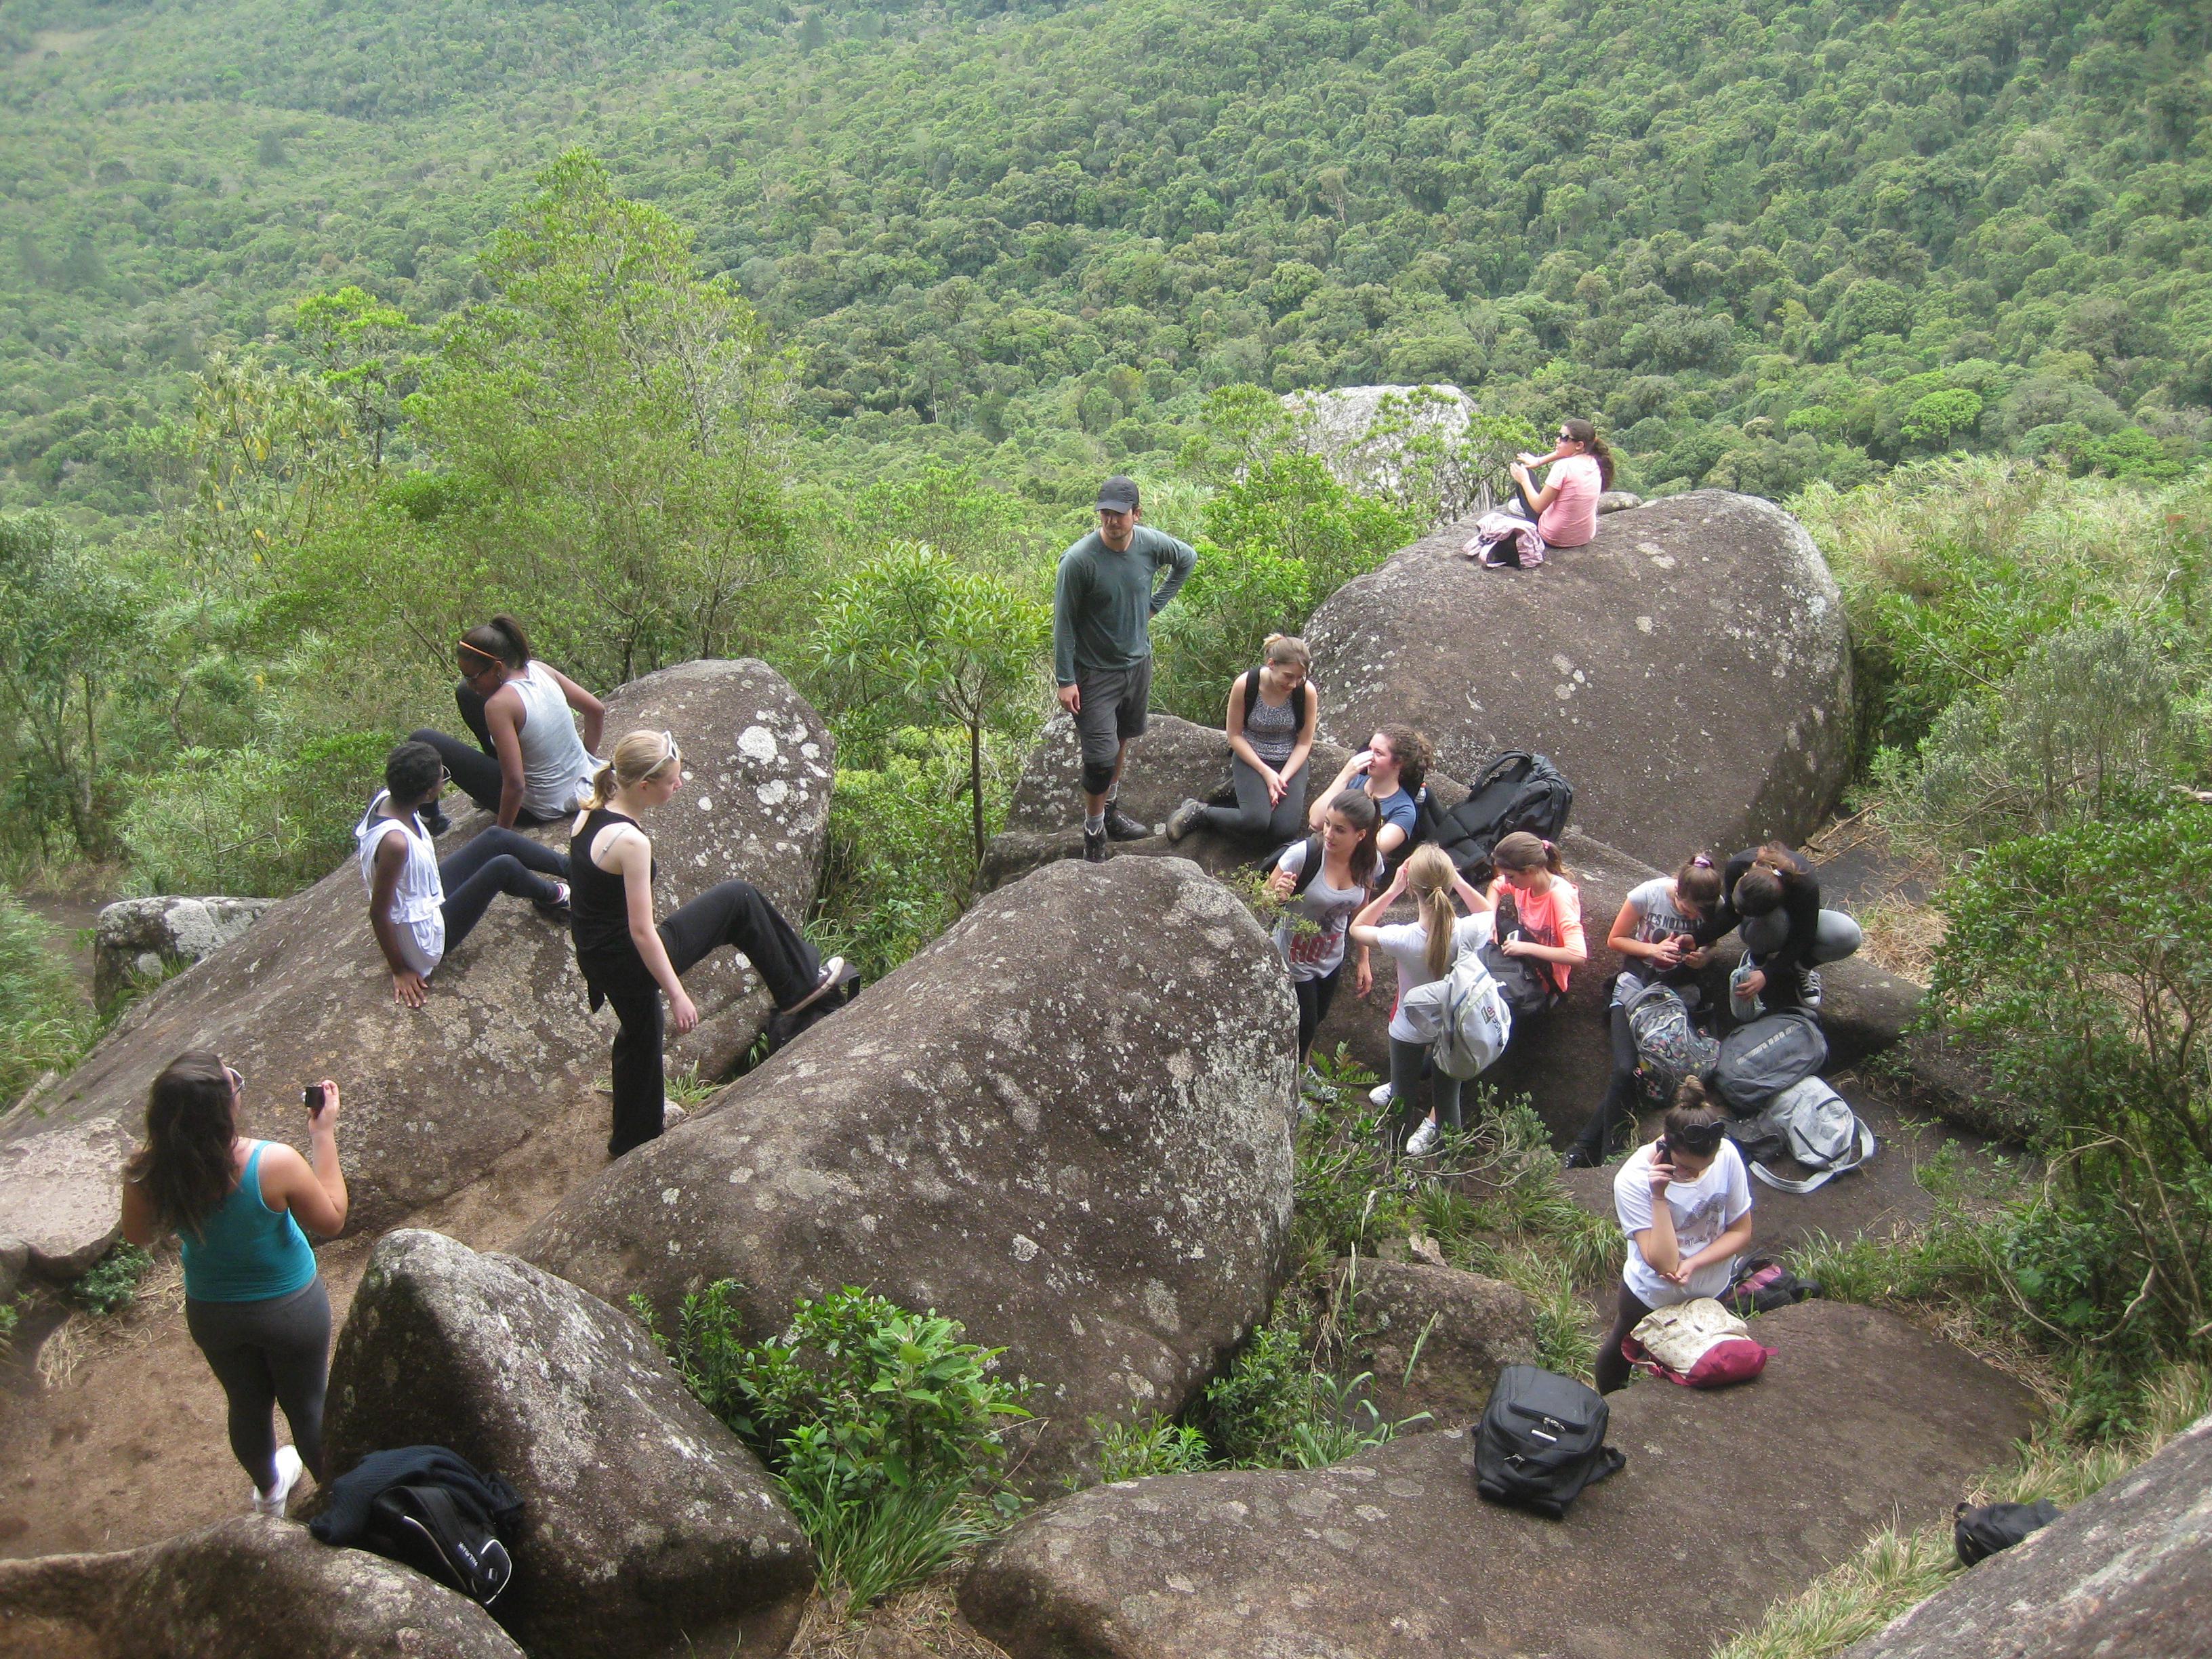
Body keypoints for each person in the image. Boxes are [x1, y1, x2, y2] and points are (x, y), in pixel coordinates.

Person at [571, 730, 856, 1158]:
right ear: (644, 785)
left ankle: (633, 1136)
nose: (679, 786)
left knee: (641, 1030)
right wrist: (678, 993)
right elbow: (643, 932)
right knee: (738, 900)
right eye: (672, 780)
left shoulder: (589, 814)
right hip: (628, 958)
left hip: (599, 958)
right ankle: (800, 988)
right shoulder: (631, 842)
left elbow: (588, 893)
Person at [120, 1053, 348, 1515]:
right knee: (307, 1404)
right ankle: (338, 1499)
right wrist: (323, 1135)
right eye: (234, 1084)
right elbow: (332, 1219)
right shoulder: (272, 1162)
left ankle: (269, 1494)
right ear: (226, 1109)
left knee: (246, 1404)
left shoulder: (147, 1173)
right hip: (290, 1306)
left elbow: (138, 1235)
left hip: (213, 1310)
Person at [356, 741, 573, 1008]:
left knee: (495, 837)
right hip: (423, 937)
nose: (444, 781)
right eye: (442, 777)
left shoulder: (387, 798)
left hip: (425, 894)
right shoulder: (395, 843)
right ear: (427, 794)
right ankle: (554, 896)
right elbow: (379, 911)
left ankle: (573, 869)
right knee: (502, 866)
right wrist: (400, 969)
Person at [1052, 476, 1197, 863]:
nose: (1111, 521)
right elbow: (1063, 623)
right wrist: (1065, 680)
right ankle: (1094, 829)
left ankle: (1111, 812)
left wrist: (1156, 604)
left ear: (1136, 514)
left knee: (1123, 738)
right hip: (1094, 673)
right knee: (1099, 759)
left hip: (1136, 664)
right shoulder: (1079, 559)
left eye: (1119, 514)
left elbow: (1187, 558)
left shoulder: (1150, 544)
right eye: (1105, 513)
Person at [1564, 854, 1726, 1169]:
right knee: (1626, 1069)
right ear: (1678, 890)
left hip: (1678, 995)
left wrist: (1702, 957)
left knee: (1654, 1074)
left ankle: (1587, 1146)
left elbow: (1711, 944)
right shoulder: (1647, 895)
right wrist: (1653, 950)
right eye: (1688, 908)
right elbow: (1615, 939)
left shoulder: (1714, 905)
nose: (1693, 914)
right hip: (1635, 987)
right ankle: (1601, 1151)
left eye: (1699, 912)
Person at [1596, 1078, 1754, 1394]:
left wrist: (1694, 1263)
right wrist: (1659, 1195)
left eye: (1703, 1168)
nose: (1694, 1175)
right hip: (1651, 1295)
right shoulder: (1632, 1180)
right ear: (1665, 1146)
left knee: (1695, 1366)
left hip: (1710, 1289)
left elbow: (1741, 1230)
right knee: (1622, 1345)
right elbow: (1665, 1262)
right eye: (1684, 1167)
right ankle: (1611, 1405)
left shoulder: (1726, 1155)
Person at [1349, 845, 1497, 1156]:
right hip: (1454, 1029)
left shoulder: (1403, 938)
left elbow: (1358, 928)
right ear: (1448, 882)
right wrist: (1456, 878)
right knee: (1447, 1102)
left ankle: (1393, 1163)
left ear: (1412, 886)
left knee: (1401, 1096)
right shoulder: (1468, 931)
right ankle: (1444, 1176)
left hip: (1409, 1026)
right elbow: (1487, 913)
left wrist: (1391, 890)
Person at [407, 615, 606, 831]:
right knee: (465, 694)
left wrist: (501, 835)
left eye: (473, 677)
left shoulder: (499, 705)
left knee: (422, 739)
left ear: (498, 668)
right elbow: (596, 710)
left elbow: (516, 784)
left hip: (539, 807)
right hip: (583, 784)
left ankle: (431, 820)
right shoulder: (540, 669)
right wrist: (584, 760)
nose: (471, 683)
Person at [1164, 635, 1319, 848]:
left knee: (1283, 831)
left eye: (1299, 678)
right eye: (1288, 676)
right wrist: (1266, 773)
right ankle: (1200, 812)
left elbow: (1304, 743)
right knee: (1255, 821)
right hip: (1252, 757)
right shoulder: (1247, 685)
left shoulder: (1306, 691)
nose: (1293, 684)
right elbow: (1235, 735)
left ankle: (1238, 793)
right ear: (1271, 664)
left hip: (1288, 762)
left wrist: (1280, 780)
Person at [1267, 791, 1379, 1076]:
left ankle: (1303, 1072)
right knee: (1303, 1025)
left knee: (1316, 1020)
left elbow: (1360, 913)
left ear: (1361, 835)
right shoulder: (1303, 855)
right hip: (1292, 957)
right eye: (1327, 824)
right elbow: (1263, 897)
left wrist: (1363, 960)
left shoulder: (1369, 863)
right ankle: (1296, 1084)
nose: (1329, 834)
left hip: (1330, 957)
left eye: (1340, 830)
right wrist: (1279, 896)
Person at [1694, 844, 1864, 1013]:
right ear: (1744, 877)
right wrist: (1695, 939)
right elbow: (1732, 913)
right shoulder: (1738, 865)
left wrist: (1768, 974)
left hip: (1788, 921)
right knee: (1769, 924)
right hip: (1759, 926)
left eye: (1743, 910)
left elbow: (1804, 936)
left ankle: (1801, 967)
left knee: (1849, 935)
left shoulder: (1805, 884)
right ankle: (1757, 958)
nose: (1739, 911)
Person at [1488, 830, 1589, 1000]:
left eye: (1510, 876)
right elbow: (1496, 887)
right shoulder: (1526, 884)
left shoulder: (1560, 896)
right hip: (1524, 962)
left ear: (1530, 870)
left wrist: (1525, 948)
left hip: (1545, 975)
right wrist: (1489, 921)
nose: (1507, 882)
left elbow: (1577, 955)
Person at [1309, 725, 1431, 862]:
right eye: (1369, 750)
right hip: (1320, 856)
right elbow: (1316, 821)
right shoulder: (1353, 781)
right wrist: (1344, 776)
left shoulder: (1404, 810)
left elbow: (1368, 851)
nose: (1370, 757)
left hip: (1354, 872)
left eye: (1378, 753)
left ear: (1398, 763)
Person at [1503, 418, 1613, 553]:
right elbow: (1566, 453)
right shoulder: (1596, 461)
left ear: (1579, 445)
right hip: (1584, 537)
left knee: (1525, 472)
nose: (1557, 440)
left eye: (1563, 437)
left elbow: (1538, 507)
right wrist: (1539, 461)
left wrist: (1524, 480)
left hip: (1553, 537)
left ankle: (1525, 510)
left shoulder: (1563, 467)